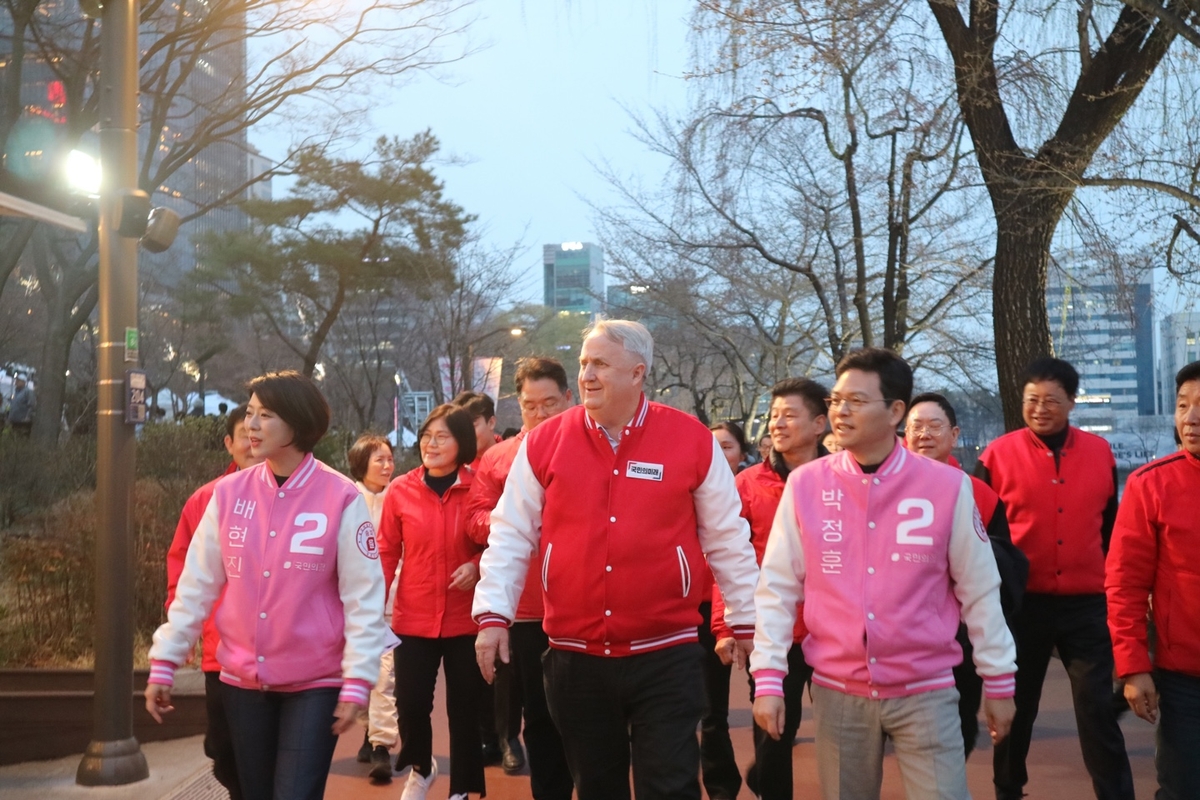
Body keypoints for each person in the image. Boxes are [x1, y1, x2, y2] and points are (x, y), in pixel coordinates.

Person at [472, 319, 760, 800]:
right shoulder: (545, 442)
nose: (586, 374)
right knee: (597, 787)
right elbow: (510, 533)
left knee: (669, 786)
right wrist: (492, 615)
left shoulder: (690, 439)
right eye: (584, 363)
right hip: (574, 656)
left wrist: (748, 622)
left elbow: (728, 538)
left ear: (637, 373)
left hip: (666, 653)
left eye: (600, 364)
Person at [752, 348, 1016, 800]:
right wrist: (769, 677)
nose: (841, 411)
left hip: (926, 691)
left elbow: (979, 590)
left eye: (856, 400)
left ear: (895, 411)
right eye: (836, 400)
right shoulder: (807, 485)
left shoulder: (947, 487)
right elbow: (777, 587)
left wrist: (999, 679)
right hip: (837, 693)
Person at [145, 371, 387, 800]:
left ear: (298, 423)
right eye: (251, 414)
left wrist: (358, 678)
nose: (252, 425)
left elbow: (364, 598)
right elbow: (196, 585)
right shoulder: (226, 495)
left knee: (294, 793)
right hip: (241, 680)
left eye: (266, 415)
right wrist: (166, 658)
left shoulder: (341, 497)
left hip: (315, 681)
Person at [978, 357, 1134, 800]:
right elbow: (982, 534)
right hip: (1023, 603)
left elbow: (1110, 527)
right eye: (1032, 400)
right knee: (1017, 708)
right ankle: (1008, 789)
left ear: (1071, 401)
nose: (1040, 408)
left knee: (1098, 709)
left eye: (1051, 400)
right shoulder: (996, 455)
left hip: (1087, 602)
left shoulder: (1100, 453)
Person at [465, 356, 574, 798]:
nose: (542, 413)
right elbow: (474, 518)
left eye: (550, 403)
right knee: (540, 716)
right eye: (531, 405)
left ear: (569, 398)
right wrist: (515, 522)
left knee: (588, 717)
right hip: (527, 610)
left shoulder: (595, 449)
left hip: (582, 607)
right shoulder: (498, 458)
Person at [716, 377, 827, 799]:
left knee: (839, 734)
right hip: (772, 631)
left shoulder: (840, 481)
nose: (777, 423)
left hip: (831, 632)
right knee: (776, 732)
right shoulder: (746, 485)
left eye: (789, 415)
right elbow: (724, 561)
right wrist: (726, 627)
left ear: (819, 423)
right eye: (773, 415)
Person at [904, 392, 1029, 758]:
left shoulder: (981, 494)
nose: (924, 434)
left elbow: (1004, 569)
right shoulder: (880, 489)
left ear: (955, 435)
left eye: (934, 425)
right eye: (915, 427)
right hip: (900, 636)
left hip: (960, 636)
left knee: (957, 729)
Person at [378, 404, 486, 800]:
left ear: (462, 442)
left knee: (465, 709)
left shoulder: (480, 488)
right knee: (410, 704)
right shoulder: (401, 490)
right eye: (426, 436)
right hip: (414, 614)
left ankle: (463, 788)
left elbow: (501, 543)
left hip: (466, 617)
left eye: (442, 436)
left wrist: (476, 565)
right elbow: (387, 551)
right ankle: (422, 768)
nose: (431, 444)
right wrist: (375, 605)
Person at [1107, 360, 1200, 800]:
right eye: (1183, 405)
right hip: (1184, 677)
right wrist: (1133, 665)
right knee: (1182, 787)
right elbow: (1124, 584)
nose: (1191, 418)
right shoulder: (1151, 485)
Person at [162, 403, 261, 800]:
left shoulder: (303, 496)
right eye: (245, 437)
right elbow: (182, 569)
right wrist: (179, 630)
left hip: (279, 651)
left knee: (264, 750)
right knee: (222, 749)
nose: (253, 445)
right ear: (229, 444)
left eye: (260, 435)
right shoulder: (207, 499)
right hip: (220, 649)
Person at [451, 389, 513, 767]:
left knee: (504, 671)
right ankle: (484, 740)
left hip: (498, 582)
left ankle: (503, 738)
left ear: (491, 422)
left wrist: (477, 562)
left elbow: (512, 529)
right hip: (455, 590)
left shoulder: (507, 462)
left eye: (470, 424)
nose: (461, 433)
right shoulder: (450, 466)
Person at [347, 433, 399, 783]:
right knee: (359, 672)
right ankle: (369, 733)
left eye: (389, 458)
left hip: (392, 601)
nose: (386, 465)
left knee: (384, 674)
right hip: (351, 601)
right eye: (378, 459)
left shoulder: (403, 494)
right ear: (361, 463)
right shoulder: (345, 498)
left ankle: (382, 746)